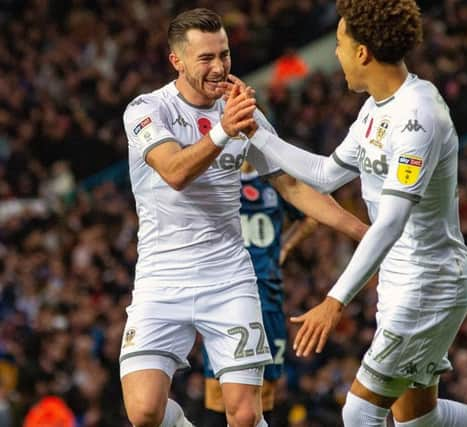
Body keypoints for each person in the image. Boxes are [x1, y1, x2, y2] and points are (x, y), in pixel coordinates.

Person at [244, 0, 467, 425]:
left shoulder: (418, 116)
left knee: (359, 410)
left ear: (363, 52)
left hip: (429, 281)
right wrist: (255, 128)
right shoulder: (376, 109)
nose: (336, 54)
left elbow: (390, 221)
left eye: (339, 44)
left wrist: (335, 300)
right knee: (419, 420)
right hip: (402, 279)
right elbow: (325, 173)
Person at [120, 8, 367, 427]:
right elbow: (175, 172)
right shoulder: (147, 110)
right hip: (161, 279)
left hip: (229, 278)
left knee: (245, 415)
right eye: (206, 58)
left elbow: (291, 186)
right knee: (144, 412)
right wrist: (224, 130)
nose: (219, 67)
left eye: (225, 54)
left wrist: (364, 232)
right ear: (176, 61)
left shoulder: (241, 113)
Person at [202, 161, 319, 427]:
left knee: (264, 393)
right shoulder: (218, 178)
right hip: (224, 292)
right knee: (216, 392)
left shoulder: (274, 180)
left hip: (265, 292)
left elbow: (311, 217)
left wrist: (285, 248)